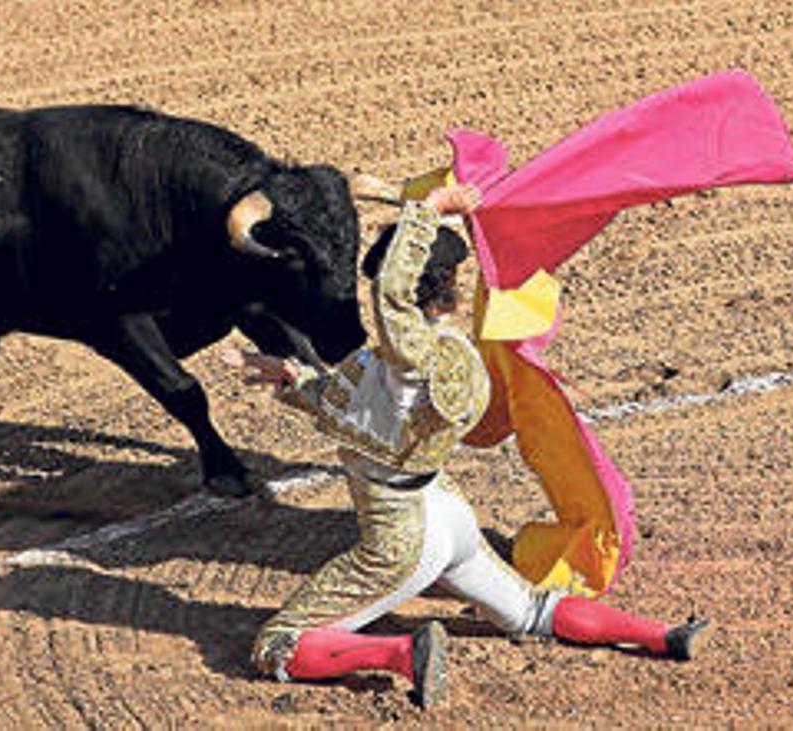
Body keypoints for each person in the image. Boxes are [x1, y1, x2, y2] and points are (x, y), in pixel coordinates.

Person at [226, 184, 708, 707]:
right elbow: (361, 411)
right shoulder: (444, 360)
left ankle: (403, 655)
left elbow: (391, 295)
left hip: (400, 537)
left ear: (410, 294)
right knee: (531, 610)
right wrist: (293, 380)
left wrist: (428, 212)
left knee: (277, 644)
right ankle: (661, 634)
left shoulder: (413, 359)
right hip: (448, 514)